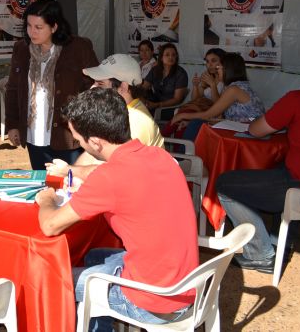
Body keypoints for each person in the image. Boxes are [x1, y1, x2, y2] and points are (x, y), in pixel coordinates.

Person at [35, 88, 198, 331]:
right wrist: (76, 174)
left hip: (153, 301)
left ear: (95, 142)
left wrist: (47, 199)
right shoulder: (158, 155)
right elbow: (107, 175)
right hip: (185, 284)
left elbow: (50, 226)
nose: (78, 144)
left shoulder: (111, 178)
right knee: (93, 256)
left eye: (78, 140)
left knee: (52, 278)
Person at [216, 63, 300, 273]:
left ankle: (260, 254)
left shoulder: (298, 99)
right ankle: (281, 243)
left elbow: (257, 130)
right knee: (281, 168)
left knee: (224, 184)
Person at [5, 0, 98, 170]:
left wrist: (85, 126)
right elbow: (12, 89)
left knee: (69, 182)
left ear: (54, 27)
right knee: (43, 181)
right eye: (29, 26)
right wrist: (12, 124)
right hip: (34, 136)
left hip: (68, 136)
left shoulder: (78, 48)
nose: (32, 32)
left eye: (38, 27)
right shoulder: (21, 49)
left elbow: (94, 88)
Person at [46, 54, 164, 180]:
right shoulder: (118, 112)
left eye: (100, 84)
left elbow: (113, 172)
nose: (92, 88)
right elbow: (94, 153)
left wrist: (69, 171)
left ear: (123, 87)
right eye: (94, 82)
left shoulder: (136, 121)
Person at [171, 53, 265, 140]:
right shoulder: (234, 86)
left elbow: (208, 115)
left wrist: (181, 116)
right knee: (195, 124)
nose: (217, 69)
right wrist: (188, 121)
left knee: (195, 124)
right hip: (241, 127)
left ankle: (181, 151)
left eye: (219, 67)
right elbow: (221, 117)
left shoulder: (234, 89)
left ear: (228, 69)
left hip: (250, 132)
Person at [161, 48, 226, 137]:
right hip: (199, 108)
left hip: (210, 112)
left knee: (182, 117)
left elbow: (219, 105)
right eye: (207, 61)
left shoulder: (225, 80)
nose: (210, 65)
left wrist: (212, 85)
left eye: (213, 61)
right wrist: (195, 86)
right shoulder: (208, 76)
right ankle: (167, 140)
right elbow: (195, 99)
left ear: (222, 62)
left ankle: (159, 139)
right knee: (181, 123)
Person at [141, 42, 188, 116]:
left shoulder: (181, 73)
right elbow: (144, 87)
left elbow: (177, 99)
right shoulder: (155, 70)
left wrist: (157, 105)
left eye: (173, 55)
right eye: (167, 55)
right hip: (154, 102)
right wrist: (141, 98)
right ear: (161, 58)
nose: (171, 57)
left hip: (170, 108)